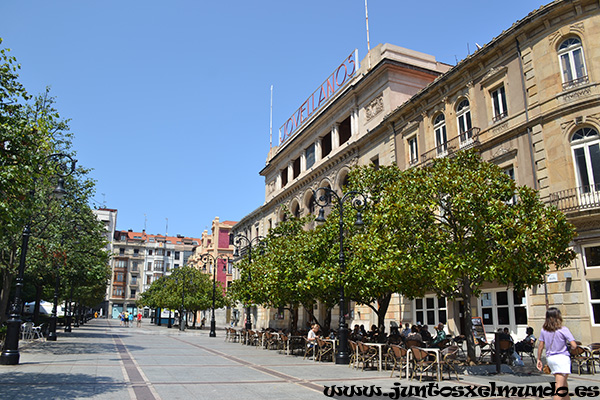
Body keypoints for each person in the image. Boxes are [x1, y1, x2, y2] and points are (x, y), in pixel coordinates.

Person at [537, 307, 577, 400]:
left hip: (551, 358)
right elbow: (574, 345)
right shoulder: (563, 329)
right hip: (562, 358)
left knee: (564, 386)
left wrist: (538, 359)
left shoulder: (544, 330)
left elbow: (540, 346)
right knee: (559, 387)